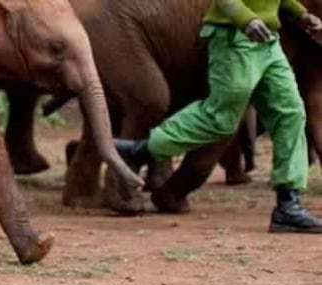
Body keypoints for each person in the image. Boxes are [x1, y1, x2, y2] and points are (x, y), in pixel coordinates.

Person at [115, 0, 322, 233]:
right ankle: (140, 151)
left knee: (291, 114)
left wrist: (301, 14)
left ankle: (288, 206)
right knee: (220, 118)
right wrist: (246, 19)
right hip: (235, 37)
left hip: (268, 41)